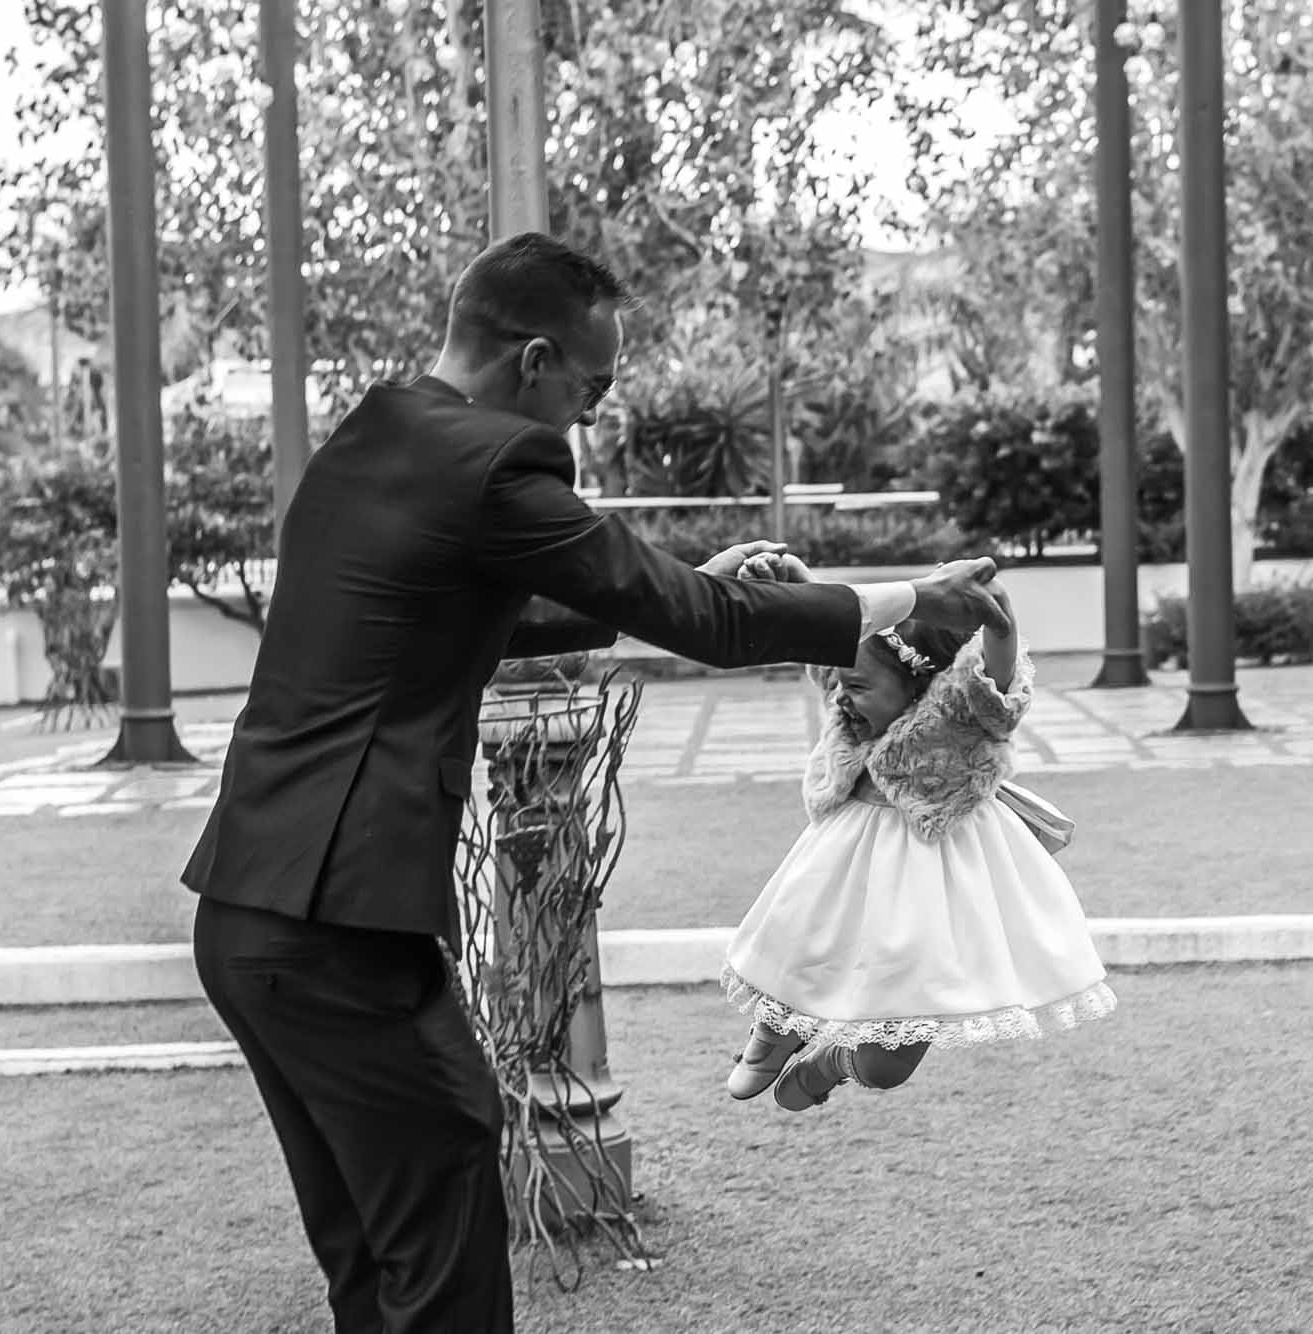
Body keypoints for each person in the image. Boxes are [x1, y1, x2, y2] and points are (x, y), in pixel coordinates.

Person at [183, 231, 1007, 1334]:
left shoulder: (376, 432)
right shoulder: (498, 460)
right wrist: (909, 600)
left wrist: (668, 588)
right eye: (591, 385)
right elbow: (706, 625)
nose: (587, 414)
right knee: (440, 1191)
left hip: (250, 909)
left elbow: (496, 603)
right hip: (338, 921)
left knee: (371, 1240)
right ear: (532, 360)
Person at [719, 557, 1115, 1111]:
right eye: (840, 683)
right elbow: (825, 648)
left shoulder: (961, 715)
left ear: (923, 686)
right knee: (796, 957)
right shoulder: (847, 696)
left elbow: (997, 683)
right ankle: (772, 1036)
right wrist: (800, 588)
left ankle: (832, 1061)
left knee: (886, 1066)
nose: (839, 699)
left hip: (934, 891)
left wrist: (998, 620)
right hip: (843, 865)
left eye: (857, 686)